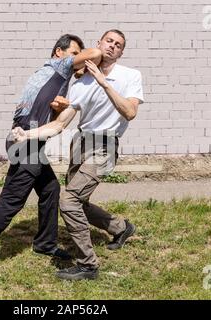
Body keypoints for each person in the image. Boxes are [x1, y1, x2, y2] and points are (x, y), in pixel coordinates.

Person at [0, 34, 104, 273]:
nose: (78, 59)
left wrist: (56, 109)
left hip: (29, 142)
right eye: (74, 53)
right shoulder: (58, 67)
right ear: (59, 53)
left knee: (50, 189)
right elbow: (95, 54)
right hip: (26, 145)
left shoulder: (51, 78)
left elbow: (48, 121)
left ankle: (45, 243)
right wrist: (82, 66)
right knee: (11, 202)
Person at [12, 29, 144, 280]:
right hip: (81, 142)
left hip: (105, 145)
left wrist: (104, 83)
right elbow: (60, 124)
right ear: (99, 44)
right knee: (78, 201)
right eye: (109, 41)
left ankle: (88, 264)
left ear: (122, 52)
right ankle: (121, 227)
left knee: (69, 201)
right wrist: (26, 135)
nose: (112, 46)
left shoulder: (130, 76)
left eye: (118, 44)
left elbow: (130, 112)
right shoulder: (81, 83)